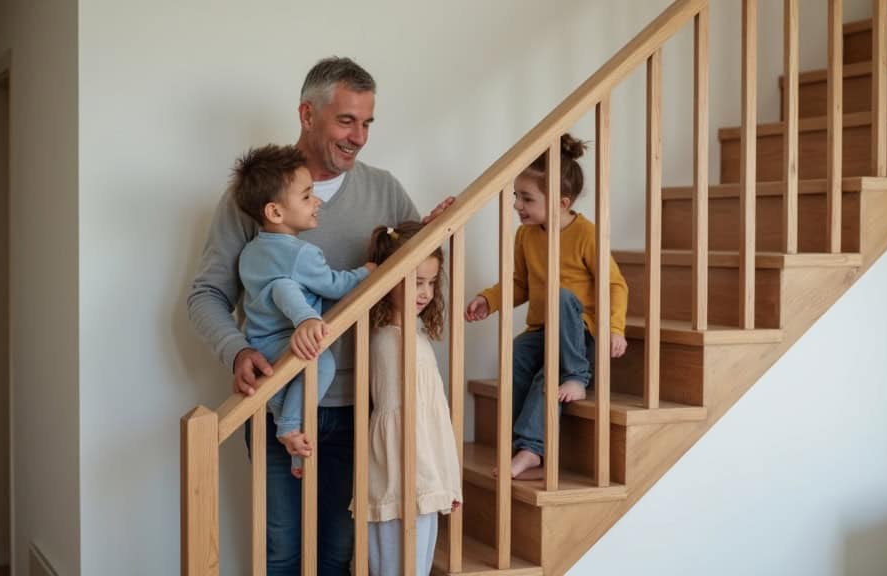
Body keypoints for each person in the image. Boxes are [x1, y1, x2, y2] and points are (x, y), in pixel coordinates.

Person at [188, 56, 450, 575]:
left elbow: (417, 280)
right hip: (276, 402)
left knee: (337, 555)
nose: (359, 136)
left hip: (361, 409)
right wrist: (236, 349)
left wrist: (437, 234)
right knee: (282, 554)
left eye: (368, 122)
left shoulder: (385, 190)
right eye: (347, 120)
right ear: (308, 114)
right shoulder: (255, 198)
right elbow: (205, 295)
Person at [465, 133, 629, 480]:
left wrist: (615, 328)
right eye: (516, 196)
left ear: (561, 202)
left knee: (562, 300)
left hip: (579, 339)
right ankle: (518, 442)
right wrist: (489, 300)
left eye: (526, 198)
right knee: (515, 357)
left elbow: (615, 284)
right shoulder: (526, 236)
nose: (517, 206)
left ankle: (570, 385)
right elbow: (520, 284)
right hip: (542, 331)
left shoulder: (586, 234)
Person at [231, 144, 375, 477]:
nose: (318, 202)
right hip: (286, 342)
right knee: (322, 361)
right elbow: (335, 286)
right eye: (307, 196)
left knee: (282, 398)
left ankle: (293, 444)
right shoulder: (301, 254)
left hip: (259, 345)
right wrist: (366, 272)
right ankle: (291, 428)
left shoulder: (251, 252)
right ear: (276, 212)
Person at [363, 222, 462, 576]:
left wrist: (445, 481)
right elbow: (402, 424)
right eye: (416, 282)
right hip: (405, 485)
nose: (425, 292)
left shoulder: (412, 337)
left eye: (432, 283)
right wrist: (432, 483)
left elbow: (432, 421)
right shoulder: (391, 342)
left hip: (421, 484)